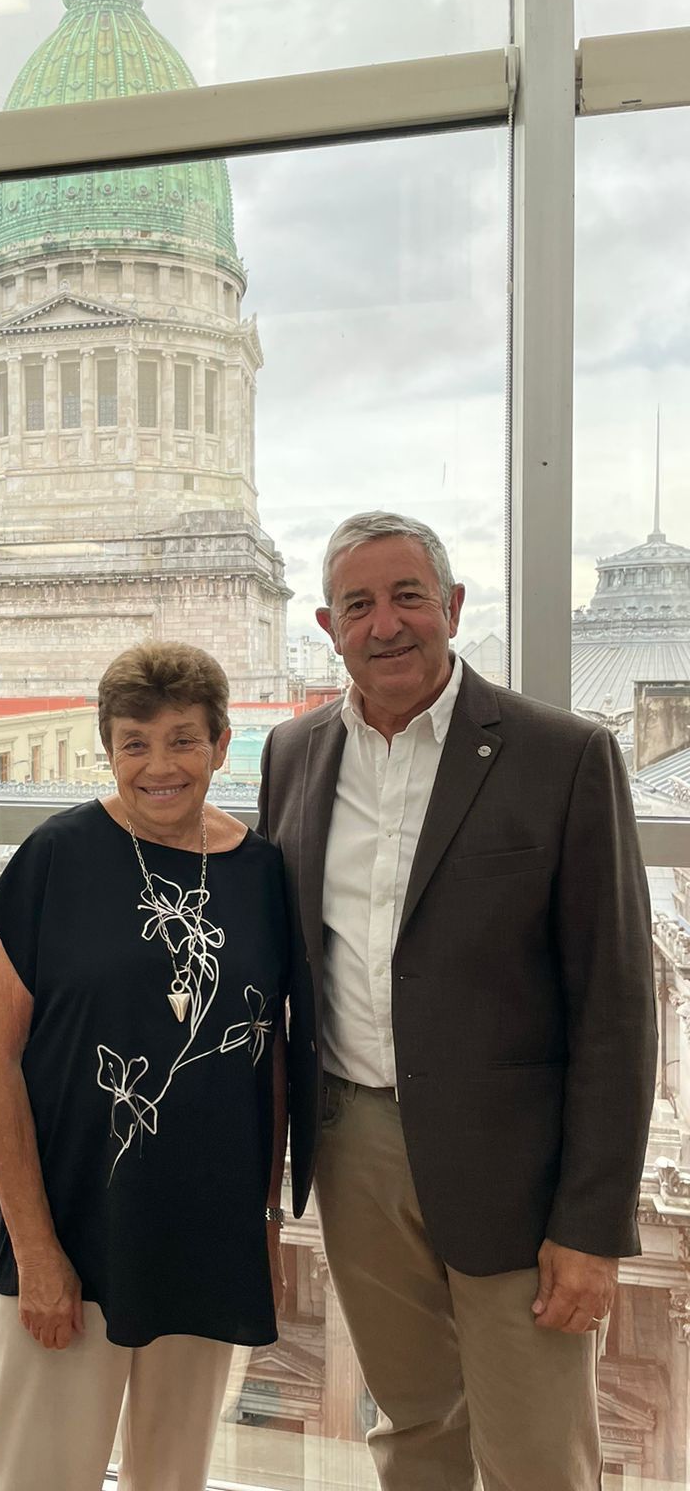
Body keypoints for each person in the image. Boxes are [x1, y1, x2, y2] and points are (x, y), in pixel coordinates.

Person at [259, 510, 657, 1491]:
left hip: (517, 1169)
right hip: (353, 1149)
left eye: (408, 597)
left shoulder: (561, 755)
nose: (386, 624)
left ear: (453, 607)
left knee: (536, 1450)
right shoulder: (294, 755)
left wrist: (592, 1224)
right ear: (327, 625)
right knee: (411, 1426)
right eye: (360, 604)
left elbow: (615, 1005)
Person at [0, 641, 295, 1491]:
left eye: (184, 740)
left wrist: (262, 1222)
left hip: (205, 1236)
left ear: (222, 745)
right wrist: (37, 1250)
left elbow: (270, 1062)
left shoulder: (264, 876)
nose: (160, 766)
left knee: (174, 1477)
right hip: (71, 1232)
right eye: (135, 743)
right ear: (106, 749)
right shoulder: (56, 857)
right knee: (37, 1477)